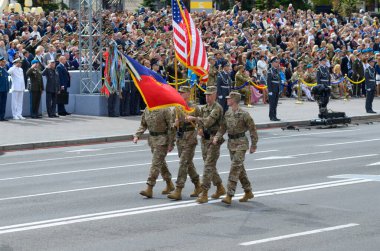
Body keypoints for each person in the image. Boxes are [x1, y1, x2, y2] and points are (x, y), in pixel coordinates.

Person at [213, 91, 258, 205]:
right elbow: (222, 128)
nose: (227, 99)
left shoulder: (244, 114)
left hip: (241, 143)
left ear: (235, 100)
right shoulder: (227, 113)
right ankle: (248, 191)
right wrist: (217, 136)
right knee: (239, 169)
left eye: (229, 98)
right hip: (231, 143)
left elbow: (253, 129)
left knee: (234, 168)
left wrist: (253, 145)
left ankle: (229, 194)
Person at [187, 86, 226, 204]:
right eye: (206, 95)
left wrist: (194, 118)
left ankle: (204, 193)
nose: (207, 97)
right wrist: (199, 128)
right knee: (210, 165)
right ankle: (220, 187)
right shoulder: (204, 108)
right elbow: (202, 123)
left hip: (214, 139)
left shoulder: (217, 108)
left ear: (215, 95)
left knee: (208, 166)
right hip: (205, 139)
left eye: (209, 95)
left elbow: (208, 121)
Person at [167, 86, 202, 200]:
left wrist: (194, 119)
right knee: (188, 163)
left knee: (183, 163)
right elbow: (171, 127)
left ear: (188, 93)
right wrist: (174, 125)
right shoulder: (176, 108)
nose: (180, 94)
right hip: (180, 139)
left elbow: (202, 121)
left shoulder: (194, 108)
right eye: (179, 92)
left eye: (183, 93)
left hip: (190, 138)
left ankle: (178, 189)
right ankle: (198, 185)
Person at [133, 108, 175, 198]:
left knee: (155, 164)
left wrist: (171, 143)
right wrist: (137, 135)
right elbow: (143, 124)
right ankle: (169, 184)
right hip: (152, 140)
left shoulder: (165, 109)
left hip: (162, 140)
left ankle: (149, 187)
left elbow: (171, 127)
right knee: (161, 163)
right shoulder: (147, 109)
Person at [267, 57, 281, 121]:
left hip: (276, 88)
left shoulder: (277, 70)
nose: (277, 63)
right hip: (272, 89)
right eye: (276, 62)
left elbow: (278, 80)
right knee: (272, 104)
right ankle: (271, 116)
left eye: (278, 62)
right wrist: (269, 91)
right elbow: (269, 81)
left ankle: (274, 116)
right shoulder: (270, 71)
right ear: (272, 63)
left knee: (275, 103)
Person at [0, 56, 10, 121]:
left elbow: (7, 80)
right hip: (0, 89)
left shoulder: (4, 69)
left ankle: (2, 116)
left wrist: (8, 88)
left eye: (4, 62)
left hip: (4, 89)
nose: (4, 63)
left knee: (3, 103)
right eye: (3, 62)